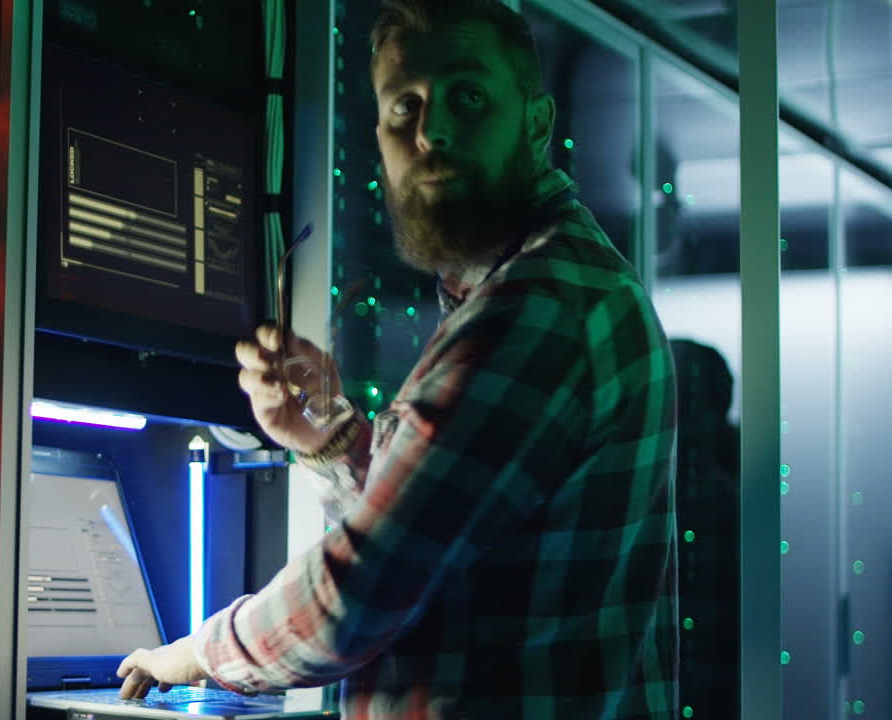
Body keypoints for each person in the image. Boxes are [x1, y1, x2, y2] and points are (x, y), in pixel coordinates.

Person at [116, 1, 680, 717]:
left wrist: (193, 654)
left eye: (467, 97)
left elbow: (357, 595)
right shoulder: (535, 288)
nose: (432, 131)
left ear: (538, 124)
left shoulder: (537, 309)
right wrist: (330, 440)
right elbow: (443, 540)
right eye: (403, 106)